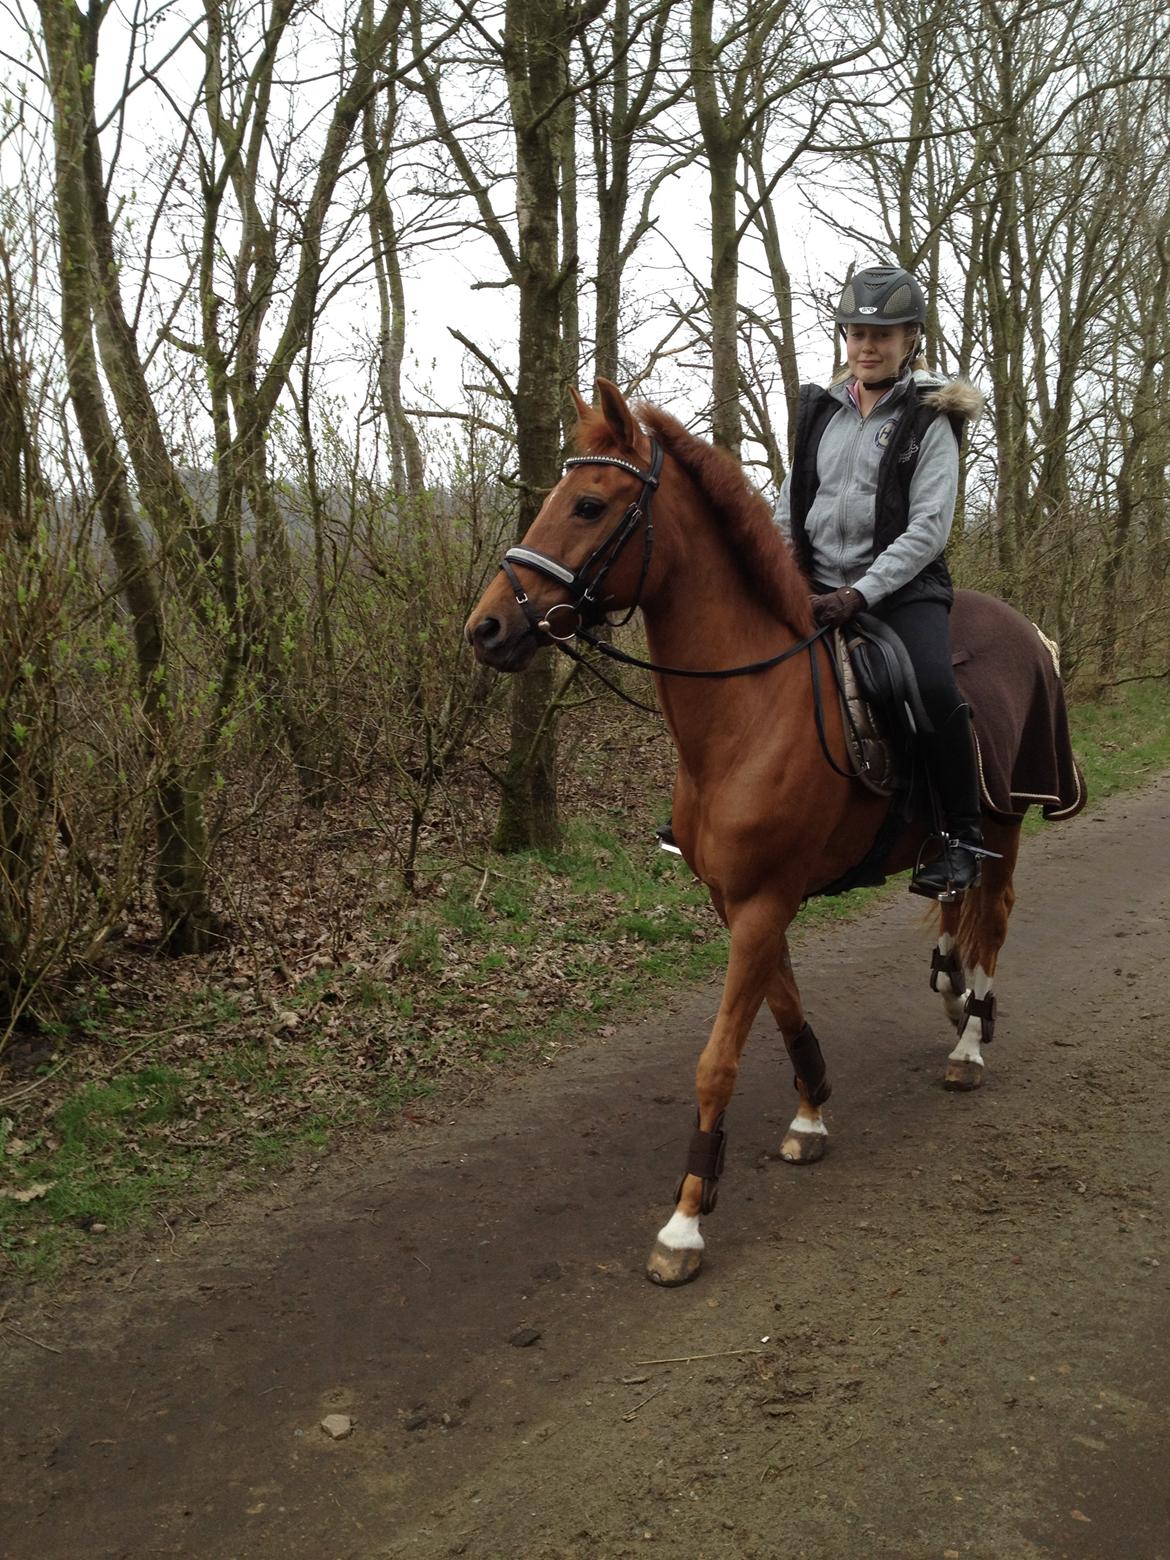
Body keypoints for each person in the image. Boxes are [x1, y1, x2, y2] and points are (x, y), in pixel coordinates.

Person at [773, 262, 986, 897]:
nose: (867, 347)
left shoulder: (930, 418)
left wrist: (860, 592)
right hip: (815, 585)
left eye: (883, 335)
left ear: (910, 339)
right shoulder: (821, 413)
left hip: (899, 588)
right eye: (857, 333)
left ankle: (961, 837)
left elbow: (928, 529)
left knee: (928, 683)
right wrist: (784, 574)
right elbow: (790, 507)